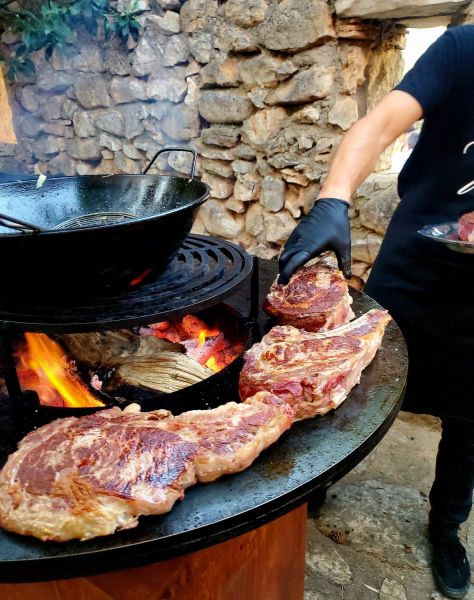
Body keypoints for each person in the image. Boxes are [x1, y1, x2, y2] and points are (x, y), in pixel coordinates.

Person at [278, 25, 474, 600]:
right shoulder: (464, 50)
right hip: (416, 259)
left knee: (471, 417)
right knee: (355, 378)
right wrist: (333, 200)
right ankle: (318, 479)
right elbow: (381, 123)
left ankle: (446, 530)